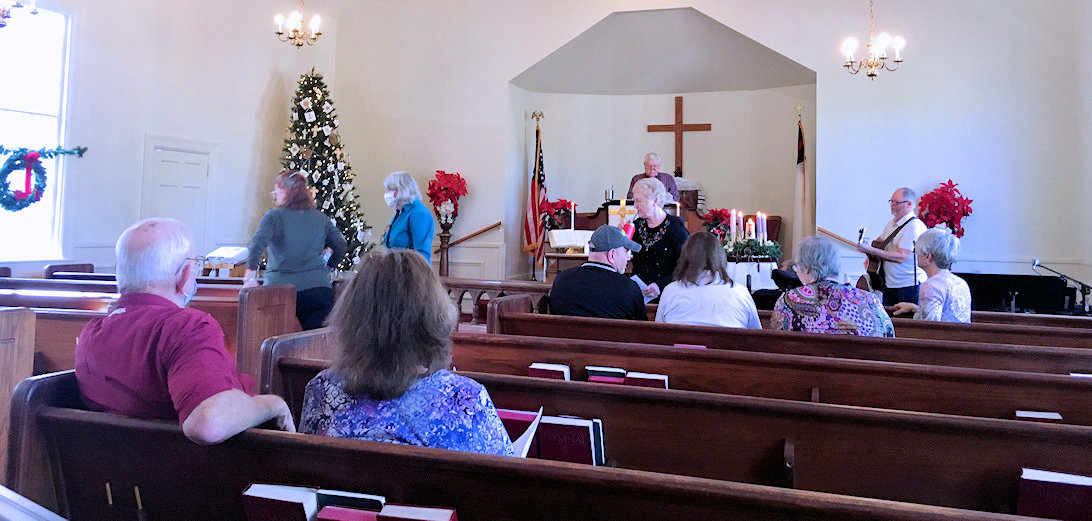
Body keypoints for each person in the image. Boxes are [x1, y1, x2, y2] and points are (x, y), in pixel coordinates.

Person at [75, 218, 295, 445]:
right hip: (189, 464)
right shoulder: (187, 327)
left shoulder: (91, 333)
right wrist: (272, 404)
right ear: (184, 275)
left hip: (107, 464)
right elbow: (208, 425)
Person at [299, 249, 513, 456]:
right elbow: (506, 474)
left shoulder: (321, 391)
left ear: (352, 318)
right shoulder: (464, 400)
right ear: (432, 319)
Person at [245, 170, 348, 330]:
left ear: (284, 191)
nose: (275, 195)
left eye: (276, 190)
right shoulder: (320, 218)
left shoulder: (273, 217)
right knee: (316, 340)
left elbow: (257, 244)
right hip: (317, 289)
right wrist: (329, 266)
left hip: (279, 289)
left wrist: (250, 276)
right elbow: (340, 246)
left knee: (276, 339)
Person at [772, 236, 894, 337]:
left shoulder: (787, 300)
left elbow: (778, 341)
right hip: (861, 360)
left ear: (807, 268)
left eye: (797, 266)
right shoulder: (869, 300)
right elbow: (889, 337)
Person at [656, 231, 761, 328]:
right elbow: (756, 335)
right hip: (726, 343)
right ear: (720, 257)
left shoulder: (671, 291)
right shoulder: (740, 293)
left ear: (685, 257)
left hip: (681, 343)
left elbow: (659, 334)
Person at [549, 225, 646, 320]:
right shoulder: (629, 288)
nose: (628, 258)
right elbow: (642, 328)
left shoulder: (561, 280)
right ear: (612, 255)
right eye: (626, 252)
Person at [857, 187, 927, 306]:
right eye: (891, 201)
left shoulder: (914, 226)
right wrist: (868, 253)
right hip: (889, 283)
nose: (892, 205)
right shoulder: (891, 223)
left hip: (908, 286)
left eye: (896, 202)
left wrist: (871, 250)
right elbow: (879, 243)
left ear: (909, 204)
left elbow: (901, 256)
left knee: (905, 318)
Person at [892, 228, 972, 322]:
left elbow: (930, 326)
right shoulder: (961, 283)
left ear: (928, 257)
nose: (916, 256)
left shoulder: (931, 286)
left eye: (917, 252)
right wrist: (916, 309)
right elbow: (946, 315)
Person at [630, 177, 690, 301]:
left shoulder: (675, 227)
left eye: (639, 201)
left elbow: (686, 265)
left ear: (655, 201)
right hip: (639, 296)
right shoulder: (636, 225)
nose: (635, 206)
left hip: (667, 295)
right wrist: (622, 235)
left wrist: (660, 285)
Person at [381, 171, 435, 263]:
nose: (386, 192)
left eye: (389, 189)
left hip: (409, 269)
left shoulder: (418, 213)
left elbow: (421, 254)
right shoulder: (401, 212)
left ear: (402, 190)